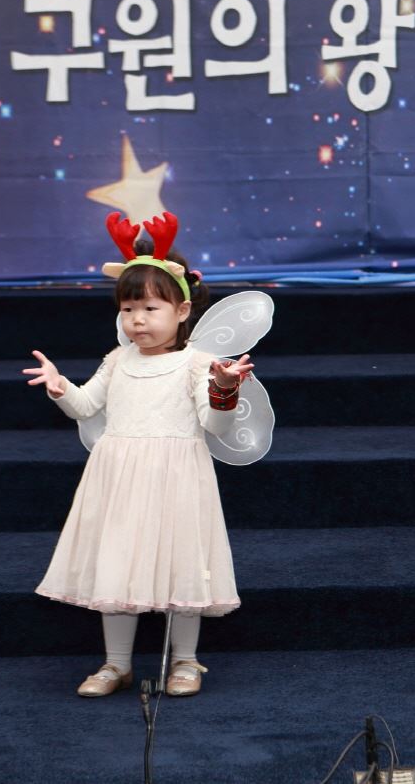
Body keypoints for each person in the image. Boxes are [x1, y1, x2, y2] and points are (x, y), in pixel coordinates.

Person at [24, 212, 255, 698]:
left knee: (182, 567)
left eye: (150, 308)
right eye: (128, 309)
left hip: (177, 479)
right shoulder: (117, 360)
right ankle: (117, 664)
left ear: (182, 310)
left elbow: (215, 425)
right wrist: (60, 387)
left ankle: (186, 661)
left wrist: (223, 389)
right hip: (119, 482)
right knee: (118, 566)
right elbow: (86, 406)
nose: (138, 320)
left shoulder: (196, 365)